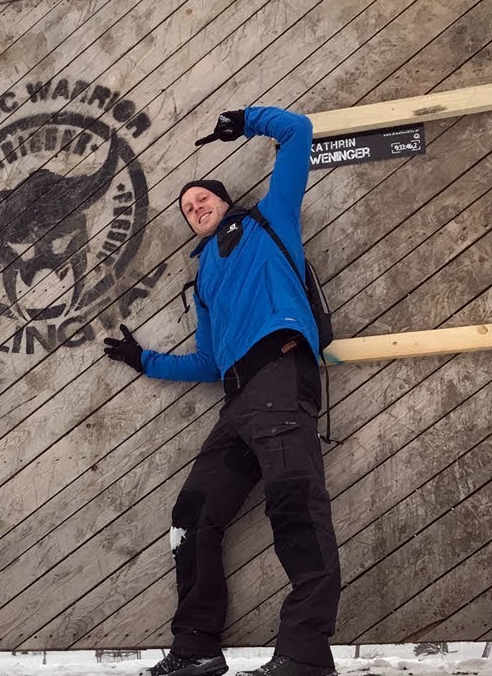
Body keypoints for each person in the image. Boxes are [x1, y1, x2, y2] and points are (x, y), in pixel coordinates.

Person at [103, 107, 340, 676]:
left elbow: (299, 132)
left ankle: (303, 656)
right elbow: (209, 361)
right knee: (192, 516)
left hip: (282, 375)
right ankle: (197, 648)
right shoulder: (204, 275)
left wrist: (248, 120)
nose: (194, 208)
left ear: (223, 199)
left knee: (295, 509)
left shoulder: (270, 219)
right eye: (186, 209)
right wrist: (146, 361)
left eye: (202, 197)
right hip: (237, 401)